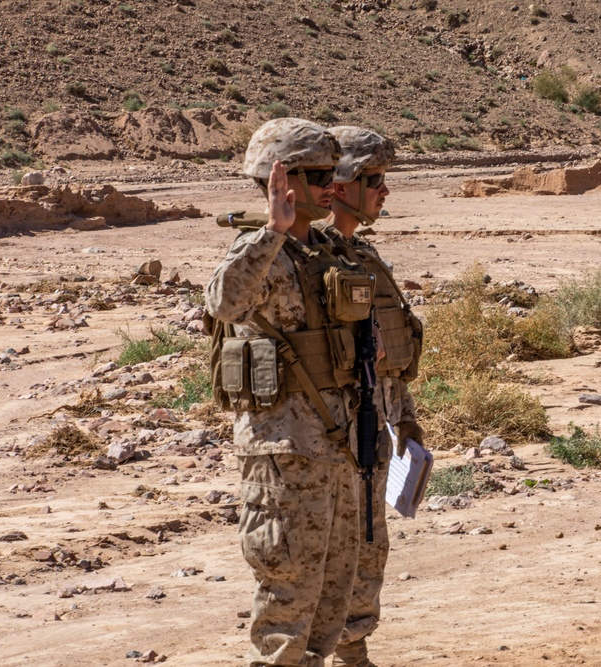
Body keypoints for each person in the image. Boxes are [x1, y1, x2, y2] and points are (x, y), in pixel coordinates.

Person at [206, 117, 362, 667]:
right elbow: (223, 303)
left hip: (338, 445)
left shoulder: (323, 251)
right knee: (288, 588)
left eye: (335, 173)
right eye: (321, 173)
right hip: (283, 450)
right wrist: (272, 230)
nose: (331, 185)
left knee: (333, 589)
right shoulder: (259, 249)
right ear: (283, 177)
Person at [318, 126, 424, 667]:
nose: (385, 191)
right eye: (374, 179)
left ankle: (353, 650)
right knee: (333, 551)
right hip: (334, 436)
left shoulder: (363, 256)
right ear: (338, 185)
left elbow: (390, 349)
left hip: (373, 428)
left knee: (367, 544)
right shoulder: (312, 261)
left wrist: (405, 418)